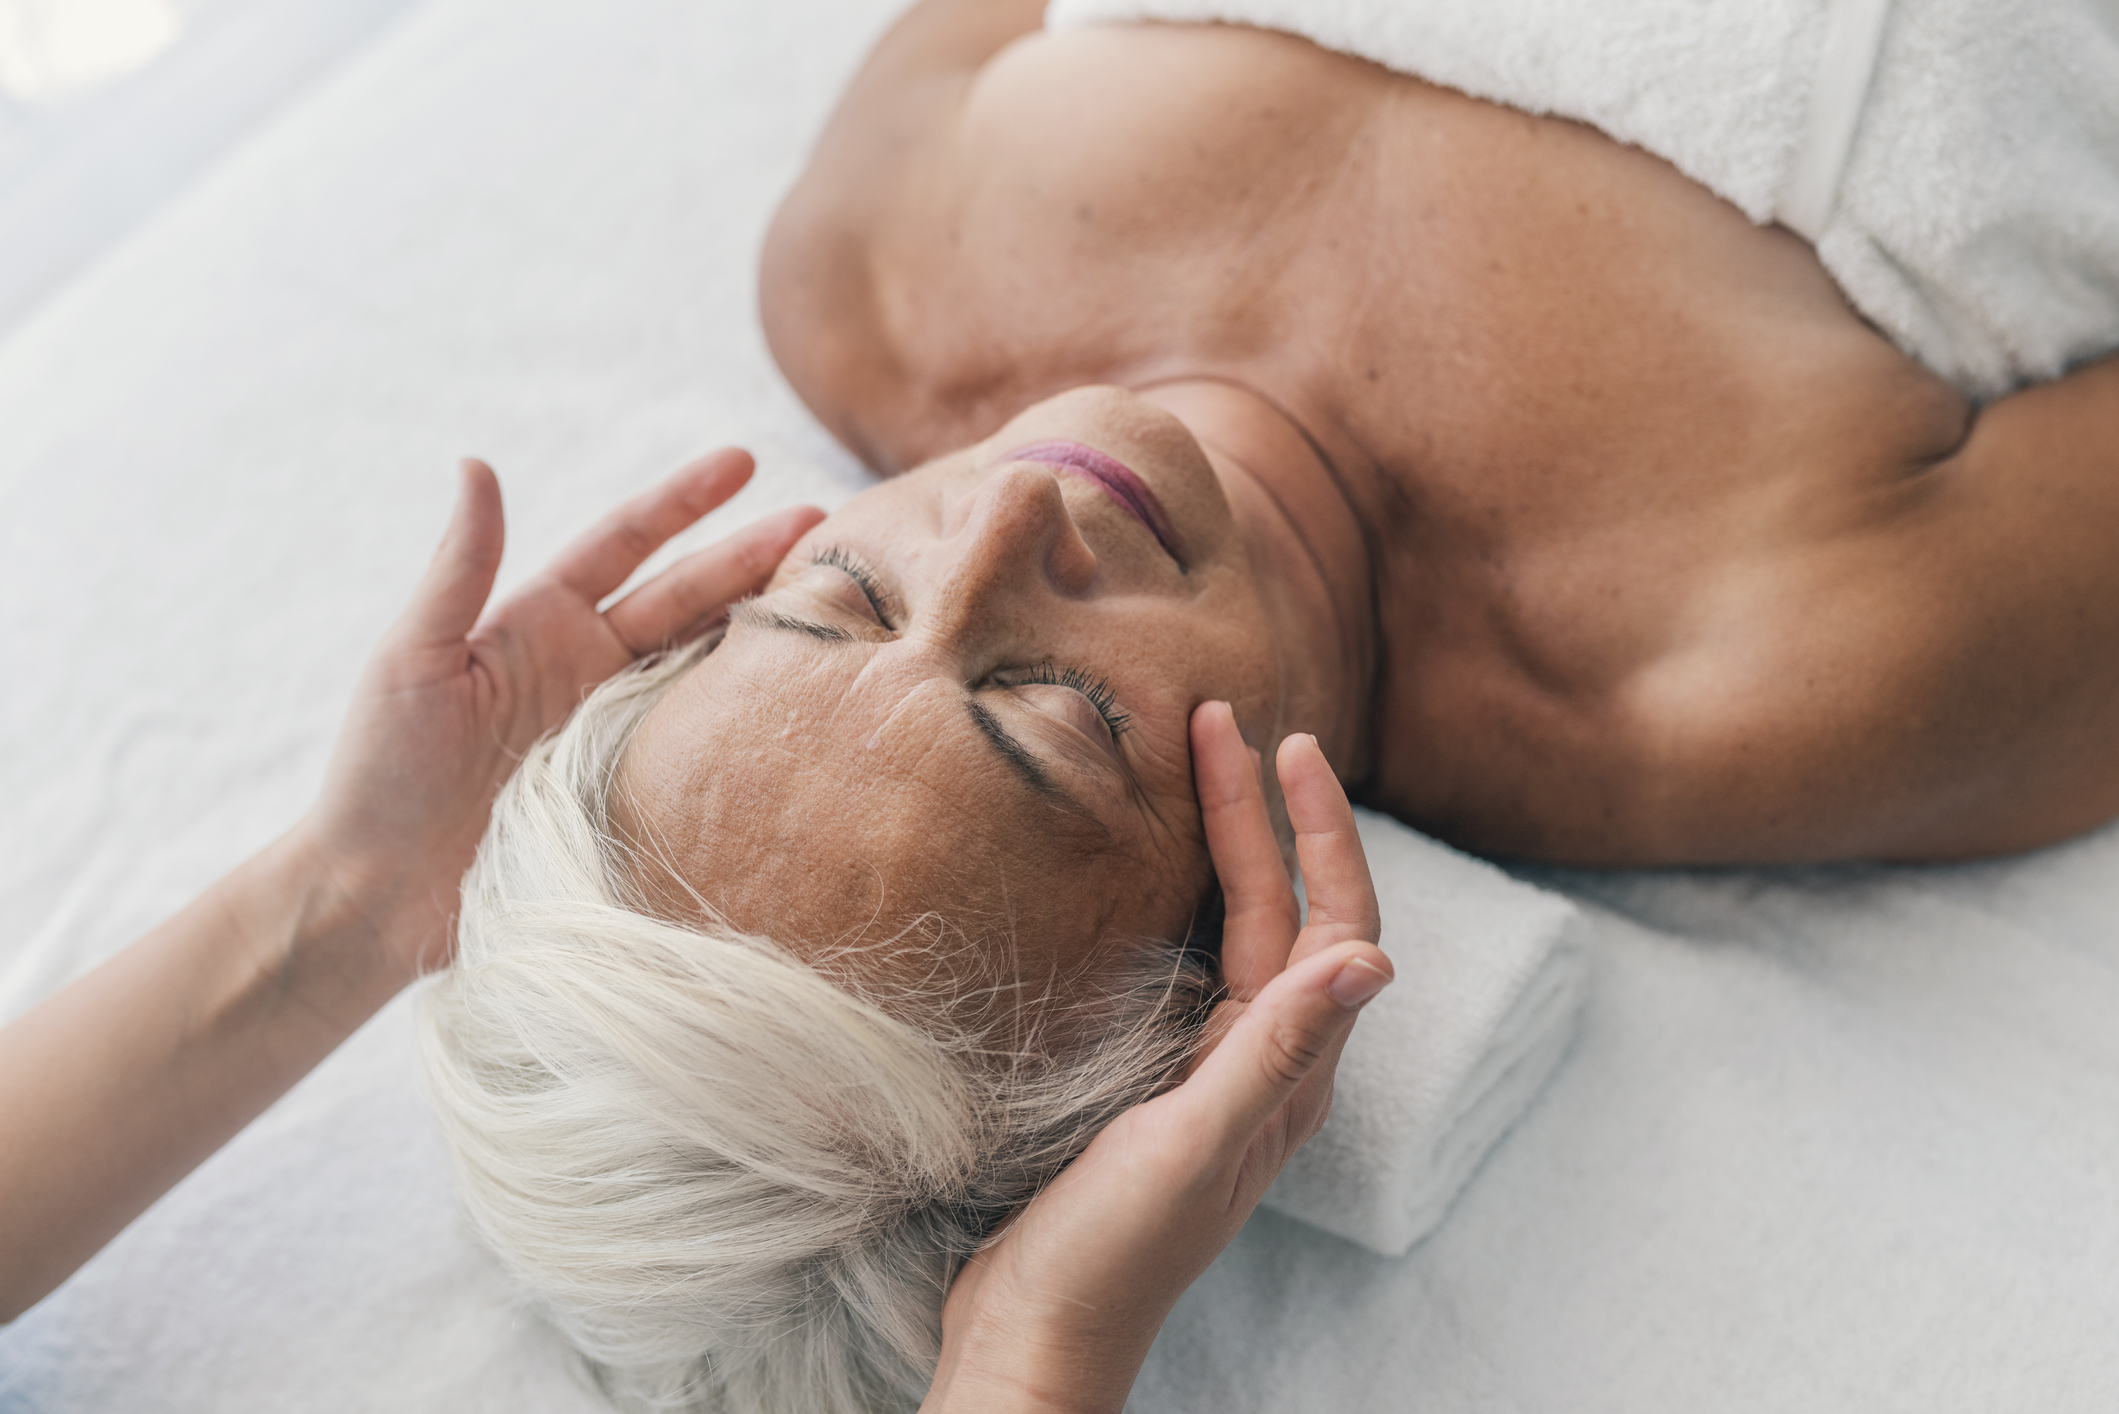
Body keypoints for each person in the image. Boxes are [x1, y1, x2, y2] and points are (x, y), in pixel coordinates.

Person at [0, 455, 1393, 1414]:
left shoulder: (853, 279)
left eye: (837, 595)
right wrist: (1032, 1359)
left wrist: (357, 897)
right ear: (1210, 982)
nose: (1015, 499)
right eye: (1069, 718)